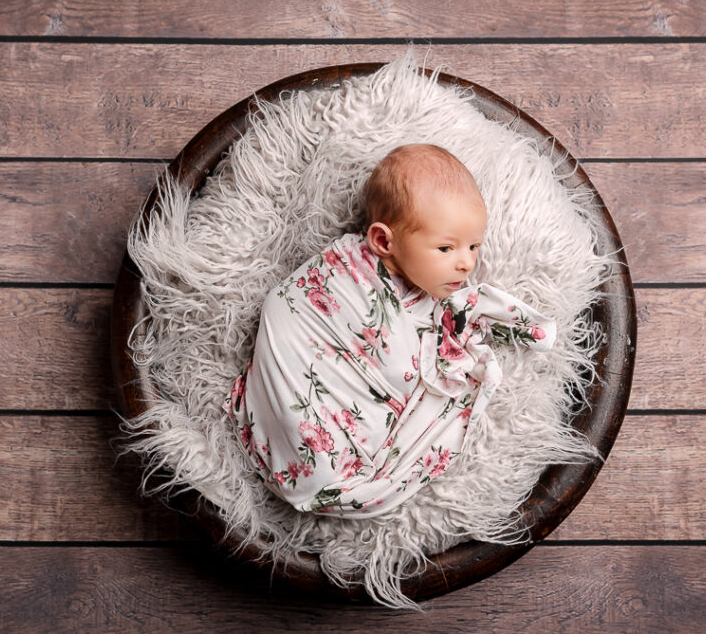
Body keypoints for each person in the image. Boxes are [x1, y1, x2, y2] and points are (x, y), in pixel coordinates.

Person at [222, 144, 555, 517]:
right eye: (446, 248)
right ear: (383, 242)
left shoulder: (425, 290)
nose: (466, 263)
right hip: (303, 398)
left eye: (474, 245)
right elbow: (294, 310)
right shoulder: (342, 274)